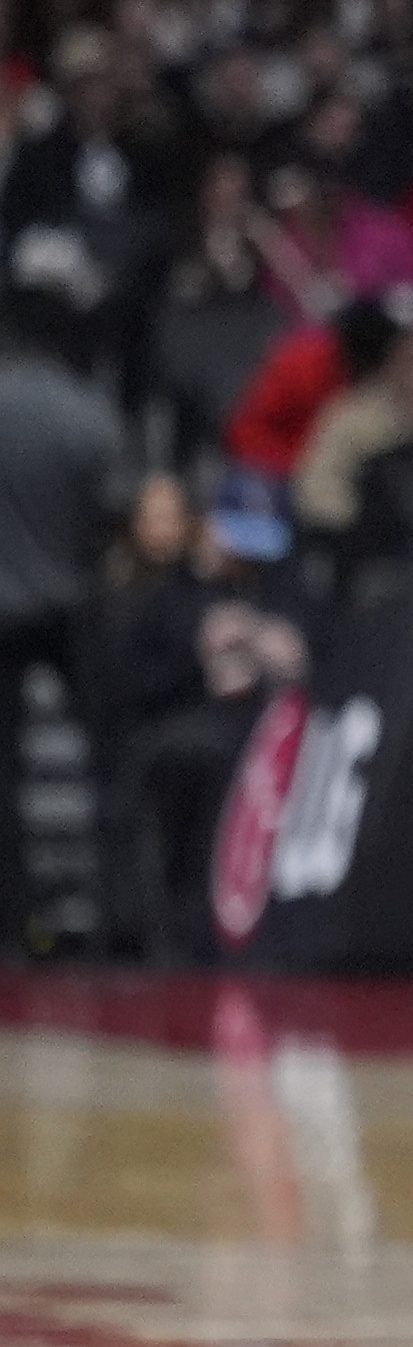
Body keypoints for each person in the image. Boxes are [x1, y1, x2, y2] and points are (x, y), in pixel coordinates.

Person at [0, 280, 128, 948]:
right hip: (71, 606)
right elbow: (118, 516)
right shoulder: (87, 415)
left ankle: (11, 920)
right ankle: (120, 915)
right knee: (107, 760)